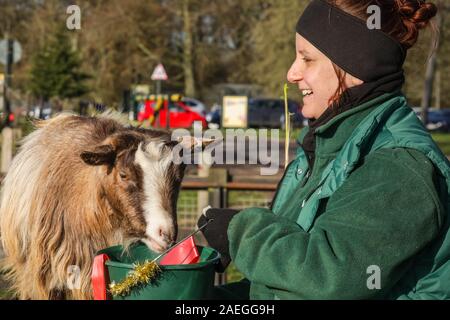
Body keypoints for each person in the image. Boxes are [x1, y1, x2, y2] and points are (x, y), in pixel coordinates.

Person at [198, 0, 450, 300]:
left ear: (355, 67)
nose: (291, 74)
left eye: (306, 59)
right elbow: (282, 291)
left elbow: (327, 280)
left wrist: (241, 233)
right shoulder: (323, 150)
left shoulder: (398, 166)